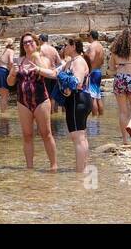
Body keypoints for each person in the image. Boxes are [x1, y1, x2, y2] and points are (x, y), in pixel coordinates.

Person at [8, 32, 58, 171]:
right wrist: (13, 72)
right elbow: (10, 82)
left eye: (31, 42)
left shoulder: (43, 58)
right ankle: (29, 168)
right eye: (25, 43)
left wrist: (36, 59)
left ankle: (53, 166)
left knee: (46, 133)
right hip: (23, 101)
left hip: (41, 100)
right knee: (27, 135)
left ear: (36, 43)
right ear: (22, 46)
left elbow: (50, 73)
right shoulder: (18, 61)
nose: (28, 45)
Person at [59, 38, 93, 173]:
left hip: (76, 99)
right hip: (81, 99)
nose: (64, 47)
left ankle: (79, 172)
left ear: (73, 46)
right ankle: (83, 168)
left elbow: (77, 82)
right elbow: (55, 72)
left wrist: (66, 91)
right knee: (81, 136)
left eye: (66, 45)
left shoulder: (78, 62)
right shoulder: (71, 61)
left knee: (77, 137)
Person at [109, 28, 131, 142]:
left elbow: (111, 69)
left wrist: (119, 68)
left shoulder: (115, 51)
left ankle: (124, 140)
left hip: (119, 79)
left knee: (122, 111)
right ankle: (130, 124)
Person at [85, 30, 106, 117]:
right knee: (98, 96)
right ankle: (100, 116)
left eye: (87, 35)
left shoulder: (93, 46)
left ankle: (94, 117)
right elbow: (102, 61)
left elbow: (91, 59)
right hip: (98, 71)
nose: (87, 37)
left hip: (92, 72)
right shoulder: (100, 46)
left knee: (92, 97)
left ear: (91, 36)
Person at [38, 34, 62, 111]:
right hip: (54, 74)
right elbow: (59, 63)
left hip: (44, 75)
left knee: (44, 96)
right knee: (52, 96)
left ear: (41, 39)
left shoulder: (40, 49)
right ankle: (52, 115)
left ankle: (46, 115)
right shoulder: (53, 49)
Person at [0, 38, 16, 114]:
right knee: (4, 96)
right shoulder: (10, 51)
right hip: (3, 71)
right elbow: (11, 62)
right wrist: (12, 73)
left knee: (3, 95)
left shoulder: (3, 51)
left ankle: (3, 112)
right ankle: (4, 115)